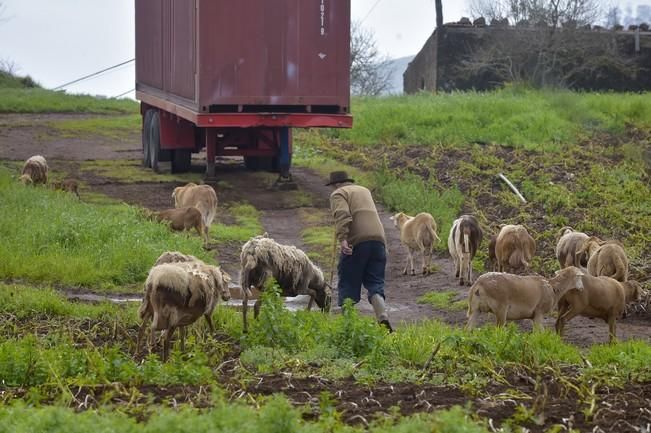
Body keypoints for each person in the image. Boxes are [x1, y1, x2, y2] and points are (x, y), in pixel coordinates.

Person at [327, 170, 393, 332]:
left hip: (357, 241)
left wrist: (343, 239)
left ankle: (348, 324)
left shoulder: (338, 193)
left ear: (335, 184)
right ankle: (382, 315)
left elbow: (342, 215)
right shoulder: (364, 190)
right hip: (379, 241)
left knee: (348, 280)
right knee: (375, 282)